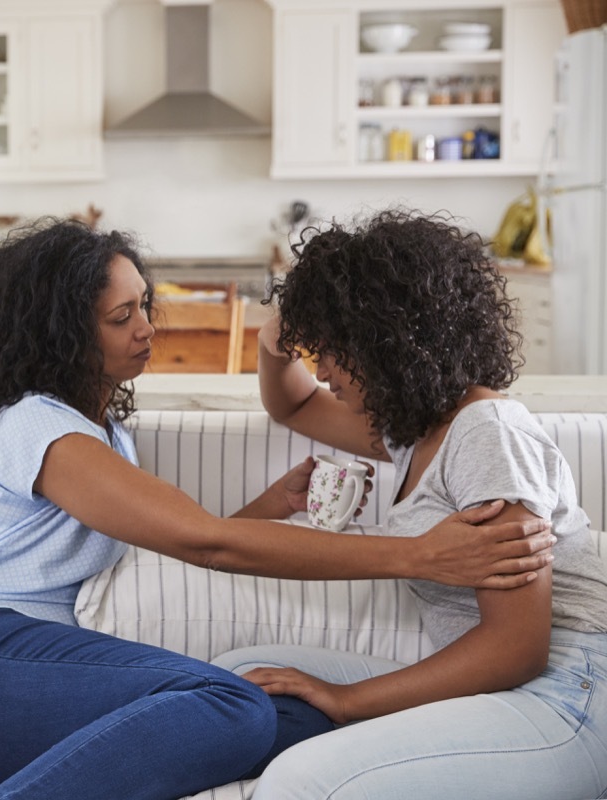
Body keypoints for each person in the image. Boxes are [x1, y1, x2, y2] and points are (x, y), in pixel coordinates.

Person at [0, 217, 555, 800]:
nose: (146, 329)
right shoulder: (37, 425)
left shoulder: (106, 437)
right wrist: (420, 554)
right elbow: (204, 543)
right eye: (121, 317)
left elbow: (179, 541)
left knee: (296, 717)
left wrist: (269, 506)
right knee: (234, 704)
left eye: (146, 306)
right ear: (61, 334)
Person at [215, 209, 607, 799]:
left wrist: (346, 701)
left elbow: (516, 649)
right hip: (505, 689)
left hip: (569, 691)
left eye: (332, 349)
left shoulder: (488, 433)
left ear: (386, 339)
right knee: (238, 676)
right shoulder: (416, 431)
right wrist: (276, 340)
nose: (321, 369)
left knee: (303, 781)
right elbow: (293, 406)